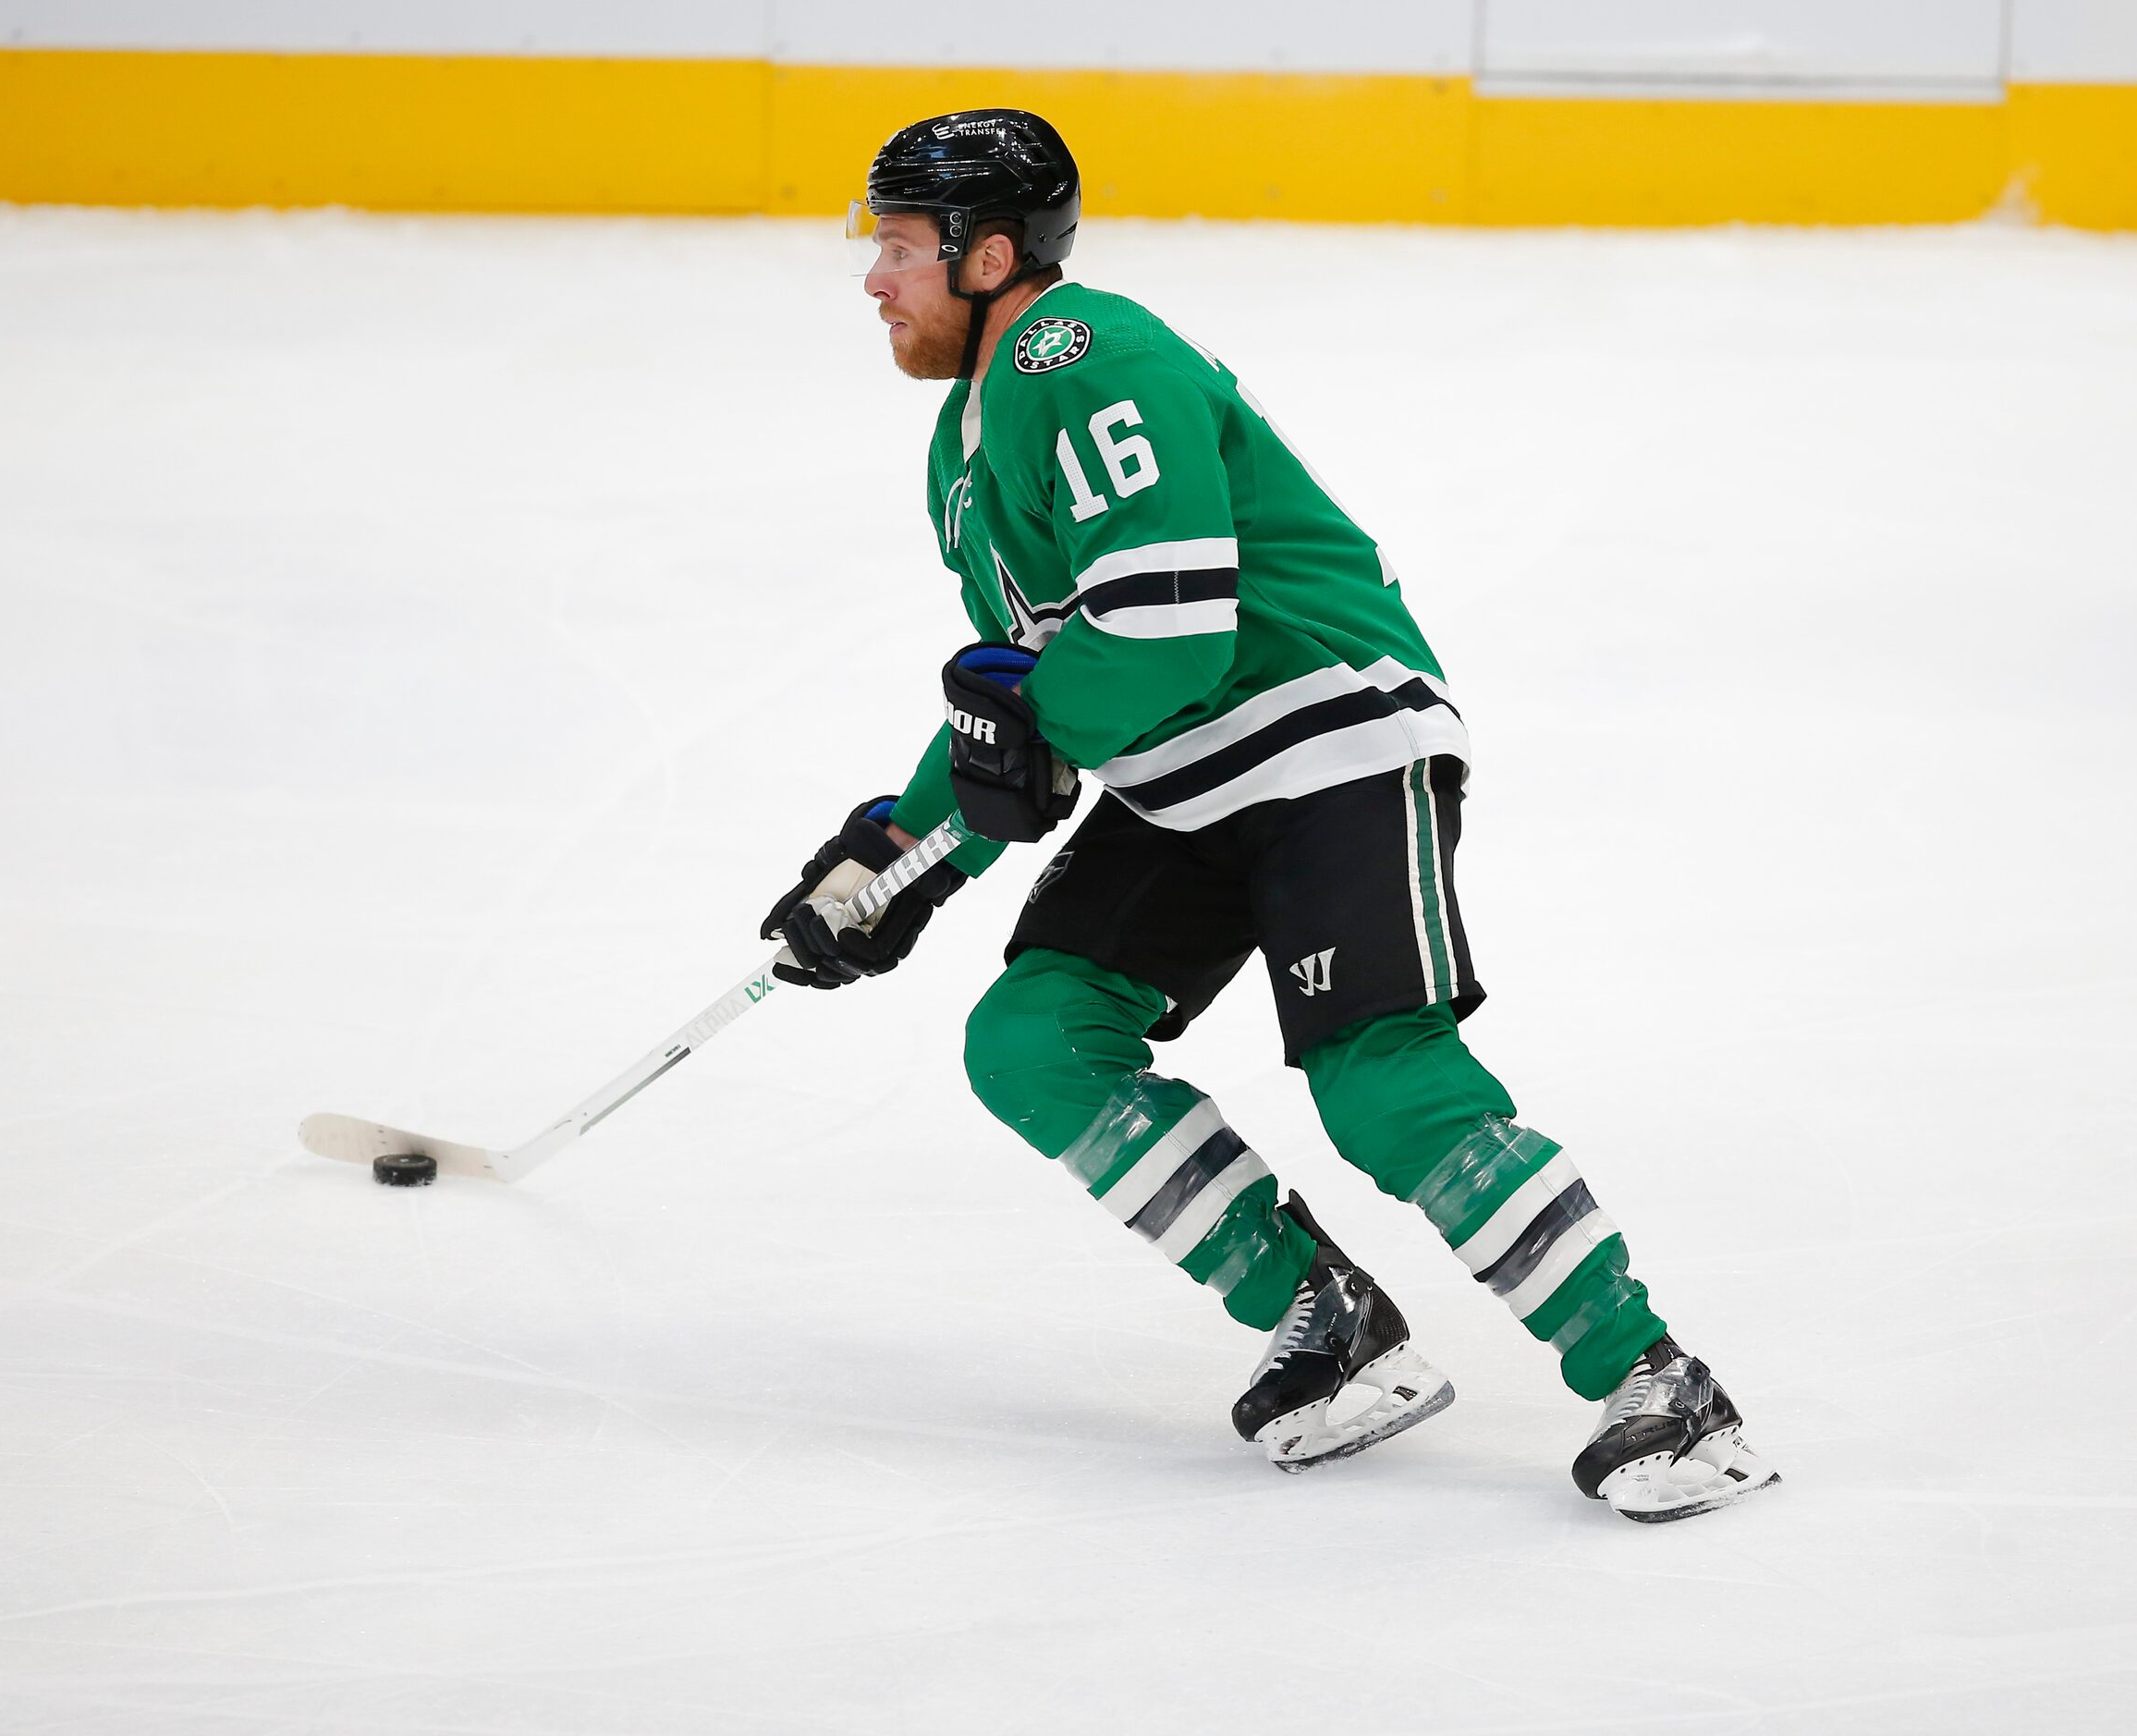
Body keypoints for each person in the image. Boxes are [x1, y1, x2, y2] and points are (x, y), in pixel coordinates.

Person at [760, 109, 1778, 1522]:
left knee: (1380, 1080)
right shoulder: (963, 448)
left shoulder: (1085, 355)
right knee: (1034, 1036)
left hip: (1325, 737)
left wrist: (964, 814)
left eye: (899, 246)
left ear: (991, 257)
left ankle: (1661, 1383)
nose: (874, 278)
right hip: (1183, 781)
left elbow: (1166, 632)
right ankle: (1330, 1317)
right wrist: (890, 859)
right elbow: (1027, 713)